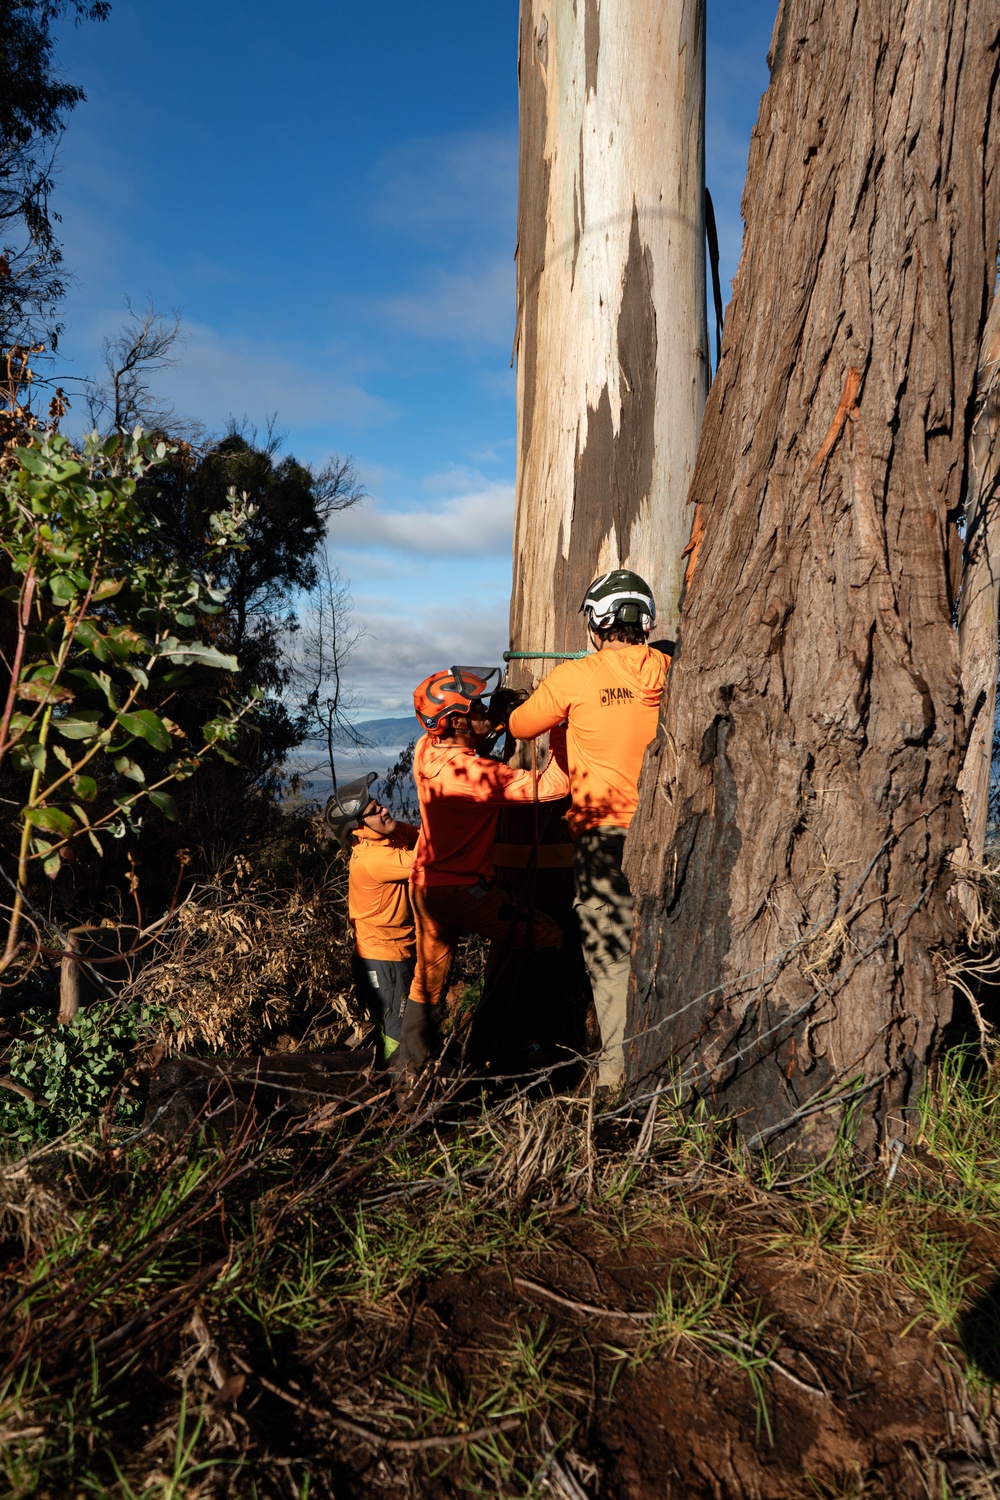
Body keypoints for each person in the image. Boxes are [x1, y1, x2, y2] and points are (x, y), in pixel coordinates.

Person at [507, 570, 668, 1091]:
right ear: (643, 619)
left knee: (609, 957)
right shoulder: (668, 669)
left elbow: (519, 726)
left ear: (598, 622)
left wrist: (566, 707)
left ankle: (617, 1078)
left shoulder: (577, 678)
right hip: (664, 830)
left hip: (602, 837)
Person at [398, 666, 570, 1075]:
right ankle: (517, 1045)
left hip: (426, 886)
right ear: (456, 721)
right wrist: (562, 725)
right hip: (462, 891)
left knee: (428, 981)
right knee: (545, 937)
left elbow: (469, 739)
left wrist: (494, 720)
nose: (482, 711)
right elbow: (552, 787)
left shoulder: (426, 748)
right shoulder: (473, 776)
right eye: (475, 707)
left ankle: (410, 1077)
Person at [325, 773, 418, 1066]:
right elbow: (435, 856)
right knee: (395, 1031)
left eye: (379, 804)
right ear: (358, 830)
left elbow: (423, 835)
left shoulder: (391, 836)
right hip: (384, 960)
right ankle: (399, 1092)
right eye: (374, 812)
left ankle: (390, 1080)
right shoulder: (373, 859)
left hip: (393, 953)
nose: (384, 810)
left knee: (398, 1026)